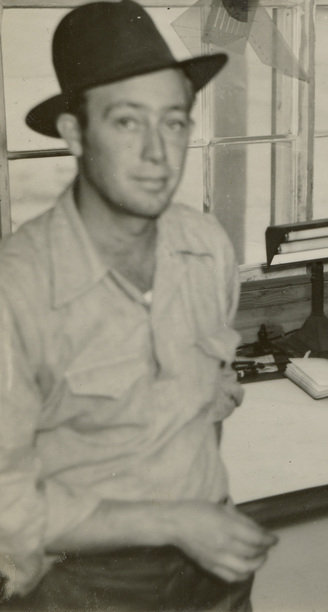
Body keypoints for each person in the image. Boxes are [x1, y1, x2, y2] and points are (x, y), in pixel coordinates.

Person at [0, 1, 277, 609]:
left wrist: (198, 513)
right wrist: (173, 521)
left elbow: (210, 399)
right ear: (75, 133)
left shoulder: (206, 248)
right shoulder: (15, 292)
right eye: (128, 122)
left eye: (174, 122)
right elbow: (5, 505)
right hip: (86, 588)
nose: (158, 153)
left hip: (216, 571)